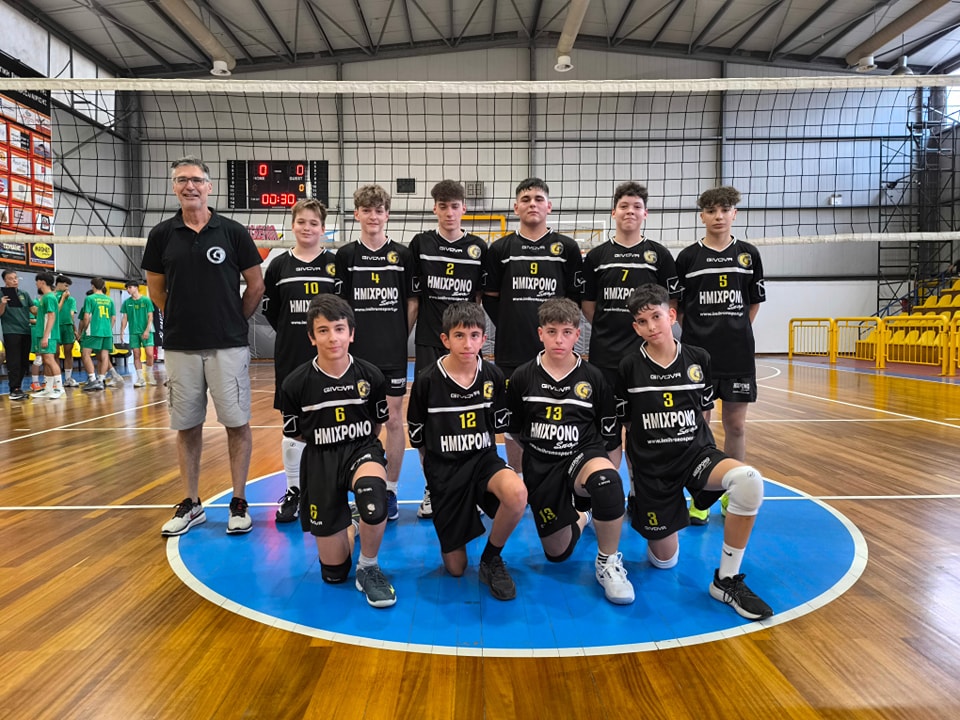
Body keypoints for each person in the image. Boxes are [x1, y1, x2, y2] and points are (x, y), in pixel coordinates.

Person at [617, 283, 773, 620]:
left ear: (672, 315)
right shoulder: (628, 367)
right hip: (653, 469)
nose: (651, 326)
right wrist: (636, 481)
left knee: (749, 481)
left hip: (694, 455)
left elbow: (703, 413)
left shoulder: (699, 359)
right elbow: (627, 427)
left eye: (656, 316)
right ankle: (656, 517)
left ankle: (726, 580)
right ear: (635, 328)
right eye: (642, 321)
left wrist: (704, 451)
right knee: (664, 561)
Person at [143, 155, 265, 537]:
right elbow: (156, 291)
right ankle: (192, 502)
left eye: (196, 180)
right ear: (174, 187)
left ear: (209, 187)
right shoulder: (161, 235)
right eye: (182, 180)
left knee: (236, 423)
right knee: (187, 425)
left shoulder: (233, 232)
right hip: (181, 346)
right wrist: (184, 318)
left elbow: (256, 285)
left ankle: (239, 501)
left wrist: (233, 319)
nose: (189, 186)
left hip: (228, 345)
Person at [506, 298, 634, 605]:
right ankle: (582, 514)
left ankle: (608, 562)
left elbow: (609, 436)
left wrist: (607, 478)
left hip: (582, 457)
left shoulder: (593, 377)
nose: (559, 340)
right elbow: (515, 432)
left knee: (607, 482)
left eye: (566, 332)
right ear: (540, 333)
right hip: (542, 467)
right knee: (558, 554)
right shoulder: (522, 377)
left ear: (578, 334)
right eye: (552, 332)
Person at [279, 294, 396, 608]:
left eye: (339, 329)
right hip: (320, 460)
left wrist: (356, 445)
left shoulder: (370, 376)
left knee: (373, 496)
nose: (333, 337)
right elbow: (296, 433)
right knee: (334, 574)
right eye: (323, 330)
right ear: (311, 337)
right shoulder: (295, 384)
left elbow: (376, 425)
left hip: (361, 450)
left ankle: (369, 567)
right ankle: (352, 524)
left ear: (351, 333)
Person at [406, 302, 528, 601]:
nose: (467, 343)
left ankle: (491, 557)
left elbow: (503, 426)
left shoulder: (493, 376)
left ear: (484, 339)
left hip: (483, 462)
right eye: (459, 336)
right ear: (445, 339)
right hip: (445, 470)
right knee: (456, 568)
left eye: (474, 335)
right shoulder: (427, 380)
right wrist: (434, 478)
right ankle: (457, 526)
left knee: (517, 493)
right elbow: (418, 438)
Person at [676, 186, 765, 524]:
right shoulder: (688, 258)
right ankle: (702, 495)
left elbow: (753, 303)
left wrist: (736, 329)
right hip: (699, 357)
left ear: (734, 214)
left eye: (724, 210)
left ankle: (732, 492)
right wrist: (699, 335)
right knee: (701, 426)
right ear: (702, 216)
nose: (718, 216)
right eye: (711, 210)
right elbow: (677, 308)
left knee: (736, 426)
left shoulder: (748, 255)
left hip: (737, 355)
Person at [483, 178, 583, 469]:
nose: (532, 204)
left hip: (557, 352)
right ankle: (517, 476)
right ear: (516, 208)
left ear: (549, 206)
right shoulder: (500, 249)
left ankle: (558, 473)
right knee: (512, 418)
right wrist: (511, 321)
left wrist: (556, 333)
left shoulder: (567, 248)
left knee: (559, 415)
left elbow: (574, 300)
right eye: (526, 200)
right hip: (512, 350)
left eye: (539, 199)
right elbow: (490, 298)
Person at [582, 182, 680, 469]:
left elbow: (670, 305)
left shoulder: (659, 255)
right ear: (614, 212)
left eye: (637, 206)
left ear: (645, 213)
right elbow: (588, 304)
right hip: (605, 357)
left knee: (643, 429)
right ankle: (609, 487)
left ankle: (641, 489)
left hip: (646, 358)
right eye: (624, 206)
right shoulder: (597, 256)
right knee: (607, 429)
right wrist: (607, 326)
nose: (630, 211)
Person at [408, 179, 487, 519]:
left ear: (464, 209)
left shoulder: (478, 248)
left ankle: (475, 486)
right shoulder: (421, 244)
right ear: (435, 209)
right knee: (431, 419)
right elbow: (413, 298)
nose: (449, 212)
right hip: (430, 341)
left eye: (455, 206)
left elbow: (479, 299)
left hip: (466, 345)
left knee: (472, 416)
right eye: (443, 206)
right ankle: (433, 487)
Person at [335, 184, 414, 522]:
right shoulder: (345, 256)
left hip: (391, 353)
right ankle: (364, 487)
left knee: (393, 420)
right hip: (356, 355)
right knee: (360, 423)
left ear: (387, 215)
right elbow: (339, 307)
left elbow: (412, 302)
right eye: (366, 210)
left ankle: (391, 491)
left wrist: (398, 335)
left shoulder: (402, 256)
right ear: (357, 214)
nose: (373, 216)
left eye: (378, 210)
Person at [263, 198, 337, 523]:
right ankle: (294, 490)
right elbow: (271, 310)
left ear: (323, 228)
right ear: (292, 225)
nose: (307, 228)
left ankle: (330, 492)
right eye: (301, 222)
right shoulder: (279, 265)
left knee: (332, 425)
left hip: (330, 360)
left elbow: (343, 313)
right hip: (291, 356)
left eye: (313, 223)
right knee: (293, 427)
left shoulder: (335, 264)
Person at [77, 279, 119, 392]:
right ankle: (101, 380)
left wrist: (85, 329)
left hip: (93, 330)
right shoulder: (110, 299)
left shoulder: (90, 298)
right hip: (107, 332)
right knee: (104, 356)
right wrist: (108, 329)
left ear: (92, 286)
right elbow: (114, 318)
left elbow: (86, 317)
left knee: (85, 354)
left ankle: (92, 379)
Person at [0, 269, 33, 400]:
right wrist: (2, 304)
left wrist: (46, 308)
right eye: (11, 278)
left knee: (24, 362)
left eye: (16, 278)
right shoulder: (1, 293)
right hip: (11, 331)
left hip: (26, 331)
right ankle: (14, 389)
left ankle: (18, 387)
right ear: (5, 281)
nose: (15, 280)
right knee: (14, 362)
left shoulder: (24, 294)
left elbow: (33, 309)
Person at [32, 272, 63, 399]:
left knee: (50, 360)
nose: (36, 283)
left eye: (37, 281)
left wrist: (46, 336)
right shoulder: (45, 297)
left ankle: (59, 388)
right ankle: (48, 388)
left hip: (48, 335)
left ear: (42, 282)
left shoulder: (49, 297)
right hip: (43, 333)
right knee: (45, 361)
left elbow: (51, 316)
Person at [119, 279, 156, 387]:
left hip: (147, 331)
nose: (128, 290)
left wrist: (147, 330)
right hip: (134, 332)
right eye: (127, 288)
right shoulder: (127, 303)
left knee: (150, 354)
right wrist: (122, 331)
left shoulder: (146, 300)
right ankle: (140, 378)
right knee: (136, 354)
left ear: (136, 287)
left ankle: (150, 375)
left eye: (130, 287)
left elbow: (150, 317)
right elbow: (124, 318)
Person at [54, 275, 79, 388]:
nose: (67, 288)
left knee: (68, 353)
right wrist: (62, 297)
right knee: (56, 354)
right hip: (55, 327)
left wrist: (75, 329)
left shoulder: (71, 299)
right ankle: (57, 380)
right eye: (65, 285)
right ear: (58, 284)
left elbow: (72, 315)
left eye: (68, 286)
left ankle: (68, 379)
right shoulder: (53, 297)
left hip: (68, 327)